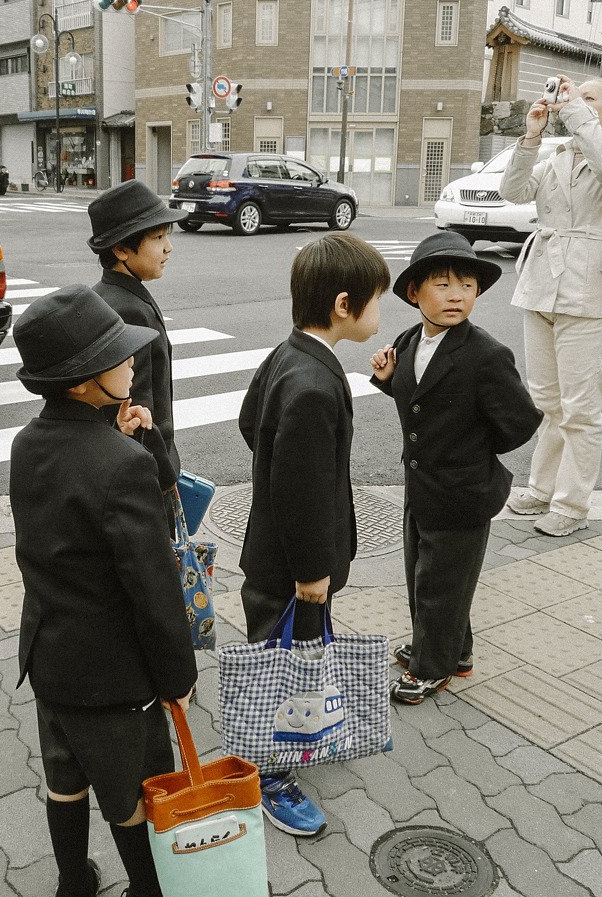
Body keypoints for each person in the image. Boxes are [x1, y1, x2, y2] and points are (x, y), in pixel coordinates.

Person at [10, 285, 198, 897]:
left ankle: (73, 881)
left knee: (65, 776)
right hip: (114, 678)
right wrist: (178, 679)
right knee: (133, 797)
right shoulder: (119, 464)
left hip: (49, 656)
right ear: (83, 382)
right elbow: (154, 588)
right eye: (119, 356)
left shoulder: (27, 444)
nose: (132, 362)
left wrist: (123, 438)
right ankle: (149, 887)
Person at [238, 231, 390, 836]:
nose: (383, 312)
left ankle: (291, 735)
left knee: (288, 653)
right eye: (377, 299)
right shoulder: (314, 385)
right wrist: (311, 573)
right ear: (344, 305)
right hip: (291, 565)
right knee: (280, 660)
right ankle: (269, 772)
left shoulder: (287, 354)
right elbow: (300, 488)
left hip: (274, 551)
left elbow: (252, 422)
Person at [369, 231, 541, 704]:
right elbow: (425, 401)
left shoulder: (486, 354)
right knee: (425, 575)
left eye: (466, 286)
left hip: (464, 493)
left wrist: (471, 450)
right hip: (421, 488)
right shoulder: (409, 341)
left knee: (440, 586)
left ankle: (432, 666)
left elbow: (520, 422)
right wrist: (387, 379)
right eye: (442, 285)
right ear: (414, 293)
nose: (456, 296)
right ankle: (453, 649)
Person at [499, 75, 602, 537]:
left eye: (588, 99)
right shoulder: (557, 155)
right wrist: (531, 136)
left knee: (581, 408)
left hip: (590, 291)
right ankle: (542, 488)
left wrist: (575, 115)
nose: (573, 103)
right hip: (541, 284)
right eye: (572, 96)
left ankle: (572, 503)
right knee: (547, 401)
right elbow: (513, 191)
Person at [88, 180, 188, 528]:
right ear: (121, 250)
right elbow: (138, 408)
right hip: (145, 472)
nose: (168, 248)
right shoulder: (130, 310)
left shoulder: (107, 295)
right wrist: (164, 476)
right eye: (158, 238)